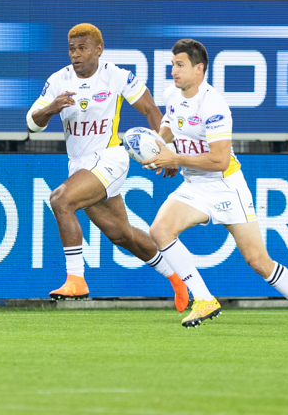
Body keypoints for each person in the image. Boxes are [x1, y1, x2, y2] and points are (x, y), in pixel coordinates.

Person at [143, 38, 288, 331]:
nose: (173, 71)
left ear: (199, 68)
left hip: (226, 186)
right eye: (172, 65)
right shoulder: (172, 94)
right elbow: (170, 125)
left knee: (258, 261)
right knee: (160, 229)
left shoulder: (214, 105)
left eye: (180, 65)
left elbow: (219, 161)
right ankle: (204, 299)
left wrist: (173, 157)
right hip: (194, 185)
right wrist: (156, 147)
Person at [26, 23, 186, 308]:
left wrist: (167, 150)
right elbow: (31, 124)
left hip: (110, 158)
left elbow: (150, 109)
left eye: (83, 48)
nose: (76, 54)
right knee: (122, 234)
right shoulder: (58, 80)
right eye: (72, 49)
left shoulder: (118, 76)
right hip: (80, 166)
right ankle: (178, 279)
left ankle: (76, 280)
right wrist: (51, 109)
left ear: (98, 49)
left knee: (60, 200)